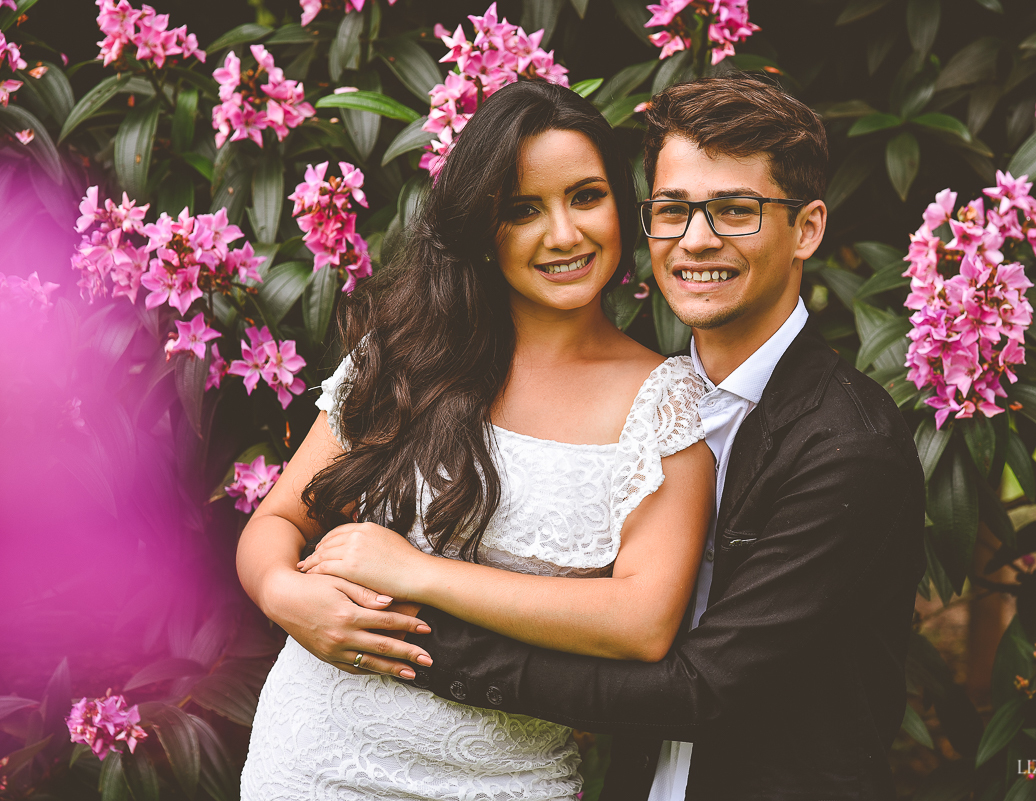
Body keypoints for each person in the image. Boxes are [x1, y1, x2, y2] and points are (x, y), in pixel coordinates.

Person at [316, 75, 928, 801]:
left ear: (808, 228)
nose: (697, 239)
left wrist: (413, 636)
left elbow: (701, 687)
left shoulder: (847, 446)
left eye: (736, 210)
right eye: (673, 210)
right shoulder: (656, 404)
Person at [235, 79, 715, 800]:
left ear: (623, 200)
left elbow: (641, 623)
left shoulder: (664, 402)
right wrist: (282, 592)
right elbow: (275, 520)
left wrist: (417, 572)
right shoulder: (405, 354)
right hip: (315, 754)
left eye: (586, 195)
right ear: (482, 230)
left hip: (506, 776)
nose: (564, 234)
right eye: (523, 210)